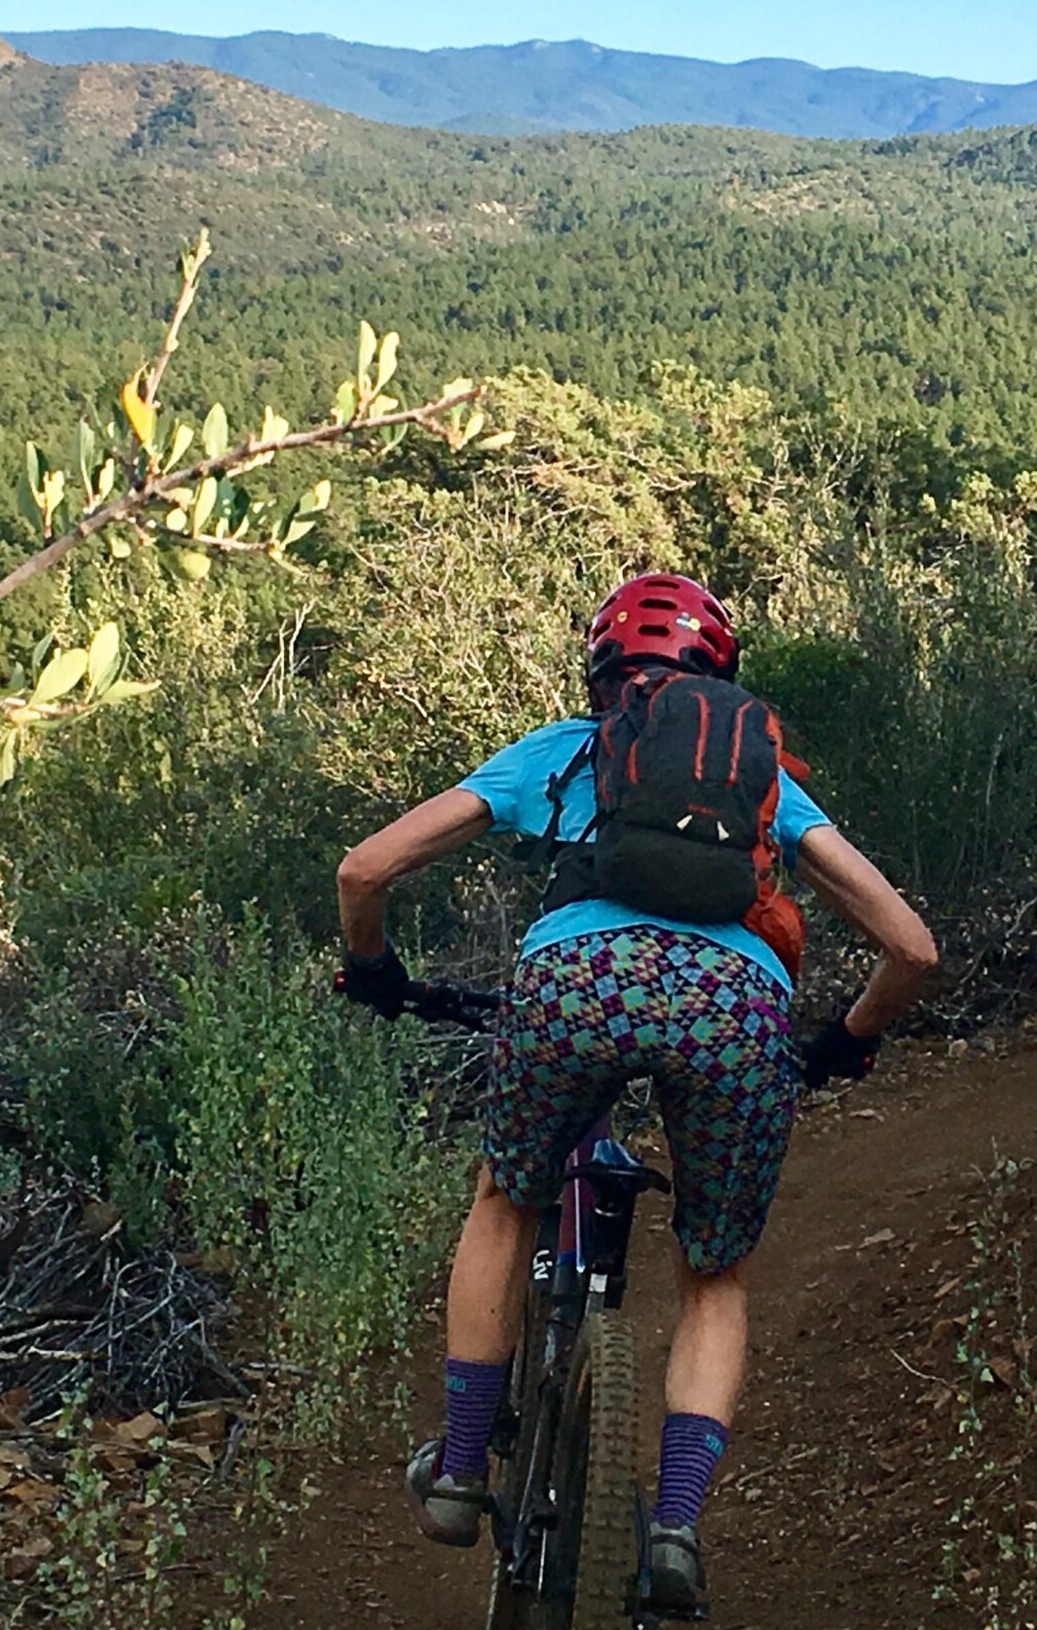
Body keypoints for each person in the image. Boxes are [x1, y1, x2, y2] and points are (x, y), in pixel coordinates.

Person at [335, 572, 938, 1612]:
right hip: (737, 1012)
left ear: (601, 672)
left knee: (505, 1198)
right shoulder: (758, 780)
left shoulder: (561, 750)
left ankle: (463, 1468)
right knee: (714, 1276)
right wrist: (846, 1041)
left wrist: (377, 969)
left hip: (574, 987)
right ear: (719, 691)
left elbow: (364, 867)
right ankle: (672, 1529)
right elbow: (913, 949)